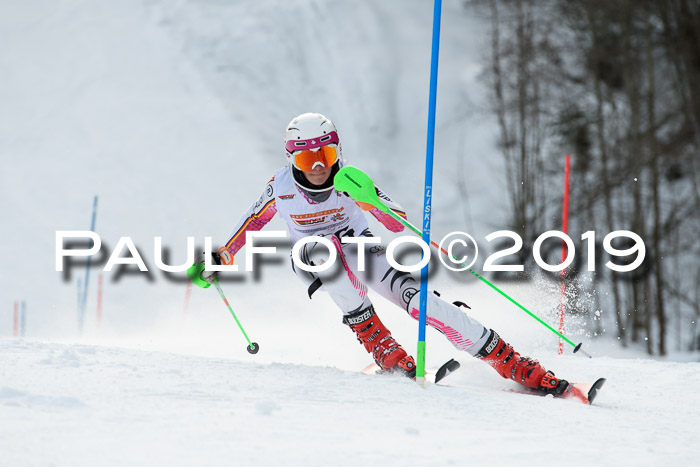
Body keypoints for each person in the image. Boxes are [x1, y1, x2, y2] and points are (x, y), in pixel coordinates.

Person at [198, 112, 569, 395]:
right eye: (305, 159)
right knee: (325, 254)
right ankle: (378, 340)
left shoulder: (349, 179)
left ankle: (510, 361)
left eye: (324, 154)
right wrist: (221, 259)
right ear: (291, 159)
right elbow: (251, 224)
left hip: (361, 248)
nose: (316, 167)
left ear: (336, 151)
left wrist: (370, 202)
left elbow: (397, 224)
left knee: (420, 302)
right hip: (313, 256)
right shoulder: (279, 187)